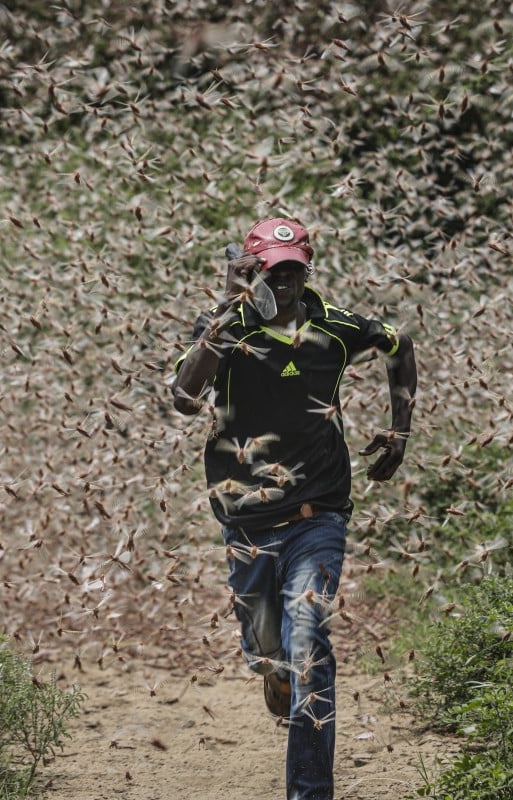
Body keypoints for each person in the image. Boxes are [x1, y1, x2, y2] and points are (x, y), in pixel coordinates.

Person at [170, 218, 417, 800]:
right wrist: (230, 310)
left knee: (310, 649)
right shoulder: (224, 331)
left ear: (306, 268)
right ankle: (272, 673)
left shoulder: (334, 326)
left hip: (318, 515)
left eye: (291, 270)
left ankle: (309, 793)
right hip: (247, 523)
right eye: (270, 271)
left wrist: (400, 430)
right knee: (268, 653)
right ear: (251, 271)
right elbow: (184, 398)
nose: (282, 282)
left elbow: (399, 346)